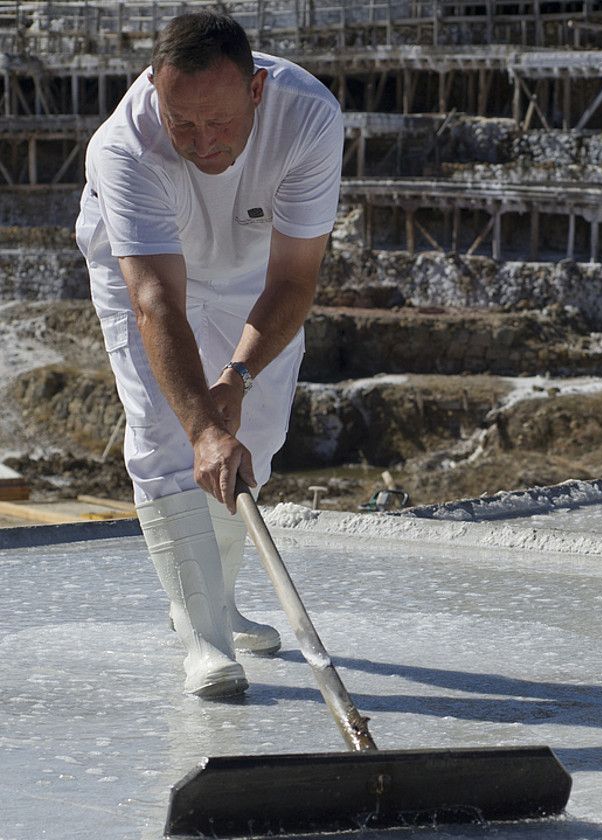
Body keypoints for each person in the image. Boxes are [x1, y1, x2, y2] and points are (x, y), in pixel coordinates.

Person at [75, 12, 344, 697]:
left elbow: (294, 280)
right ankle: (201, 639)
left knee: (257, 434)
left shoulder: (308, 117)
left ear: (256, 89)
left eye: (219, 122)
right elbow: (157, 304)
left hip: (257, 271)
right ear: (153, 94)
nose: (203, 143)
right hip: (145, 269)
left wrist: (238, 379)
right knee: (169, 436)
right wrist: (200, 424)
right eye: (182, 124)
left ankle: (217, 600)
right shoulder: (123, 147)